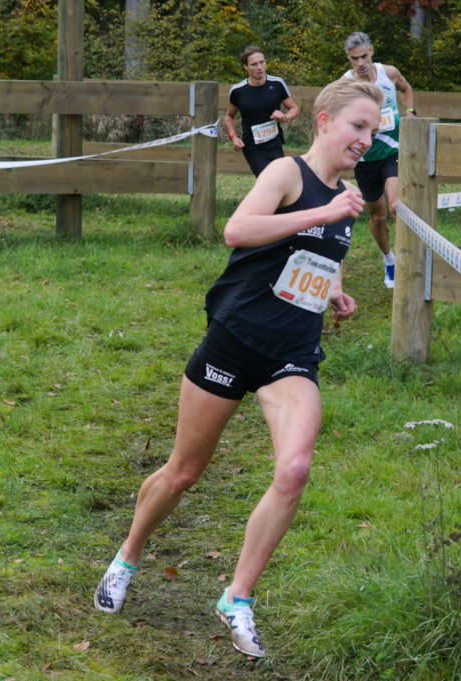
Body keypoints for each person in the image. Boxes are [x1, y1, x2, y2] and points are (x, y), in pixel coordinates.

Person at [94, 79, 384, 659]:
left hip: (291, 354)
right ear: (323, 121)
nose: (366, 140)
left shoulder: (346, 199)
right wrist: (321, 212)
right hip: (233, 340)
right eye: (359, 127)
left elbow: (319, 258)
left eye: (374, 133)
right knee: (184, 472)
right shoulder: (284, 174)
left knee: (296, 469)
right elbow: (238, 231)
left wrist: (334, 293)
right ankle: (127, 555)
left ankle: (238, 597)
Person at [339, 31, 416, 289]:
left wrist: (409, 112)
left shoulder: (388, 73)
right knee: (379, 216)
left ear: (371, 50)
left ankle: (408, 260)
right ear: (348, 59)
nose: (360, 63)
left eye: (363, 56)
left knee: (396, 206)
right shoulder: (345, 84)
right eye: (354, 59)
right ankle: (389, 259)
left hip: (393, 149)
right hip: (366, 157)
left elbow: (406, 88)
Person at [223, 45, 300, 177]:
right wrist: (233, 137)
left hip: (275, 143)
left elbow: (294, 108)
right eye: (254, 64)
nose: (259, 67)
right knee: (268, 179)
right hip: (253, 147)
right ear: (246, 67)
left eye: (262, 62)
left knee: (281, 180)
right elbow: (229, 117)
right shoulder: (238, 91)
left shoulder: (277, 83)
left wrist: (284, 117)